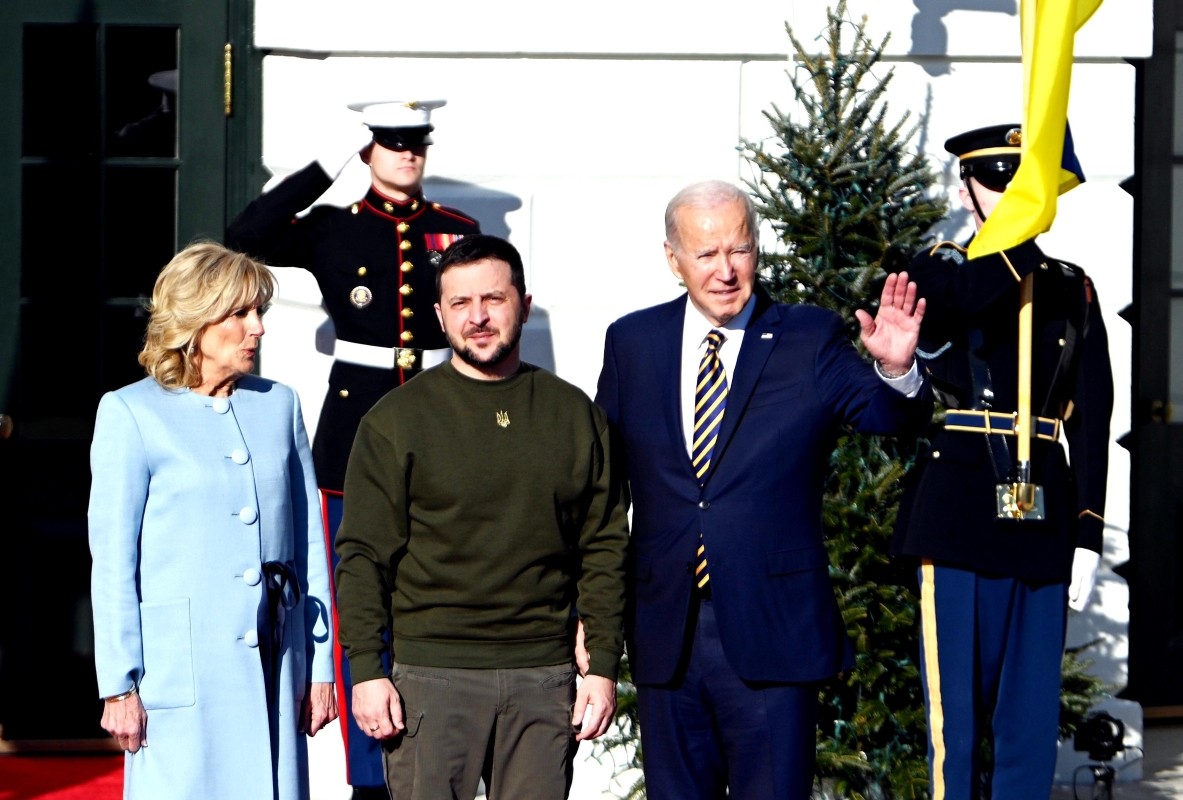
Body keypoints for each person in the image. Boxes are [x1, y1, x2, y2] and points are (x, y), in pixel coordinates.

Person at [594, 180, 931, 799]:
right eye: (706, 253)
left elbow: (888, 416)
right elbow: (602, 485)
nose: (725, 271)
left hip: (773, 630)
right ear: (673, 259)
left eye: (740, 250)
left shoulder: (808, 337)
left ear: (757, 249)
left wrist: (896, 368)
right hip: (666, 630)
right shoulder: (633, 342)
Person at [225, 98, 481, 797]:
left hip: (442, 430)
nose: (408, 154)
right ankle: (371, 777)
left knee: (443, 600)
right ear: (368, 151)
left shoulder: (456, 231)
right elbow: (244, 235)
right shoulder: (334, 227)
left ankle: (441, 765)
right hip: (355, 434)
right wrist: (322, 164)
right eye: (391, 143)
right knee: (358, 605)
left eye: (416, 143)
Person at [333, 234, 629, 800]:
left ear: (524, 304)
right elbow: (364, 556)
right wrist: (367, 670)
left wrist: (602, 665)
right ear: (439, 315)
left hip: (543, 679)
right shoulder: (395, 421)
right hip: (430, 679)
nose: (478, 318)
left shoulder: (574, 416)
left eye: (493, 299)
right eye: (461, 303)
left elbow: (605, 545)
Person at [890, 124, 1114, 799]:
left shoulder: (1070, 287)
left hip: (1042, 516)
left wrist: (1087, 532)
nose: (1013, 195)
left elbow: (1092, 420)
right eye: (996, 182)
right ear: (966, 191)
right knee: (955, 726)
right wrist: (1018, 240)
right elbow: (958, 302)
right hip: (959, 516)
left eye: (1025, 184)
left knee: (1029, 724)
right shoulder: (938, 269)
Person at [88, 241, 337, 799]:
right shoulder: (130, 413)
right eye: (240, 313)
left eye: (259, 312)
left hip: (275, 665)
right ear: (196, 321)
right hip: (179, 675)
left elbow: (309, 549)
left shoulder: (279, 405)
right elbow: (113, 563)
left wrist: (319, 666)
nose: (258, 328)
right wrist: (119, 684)